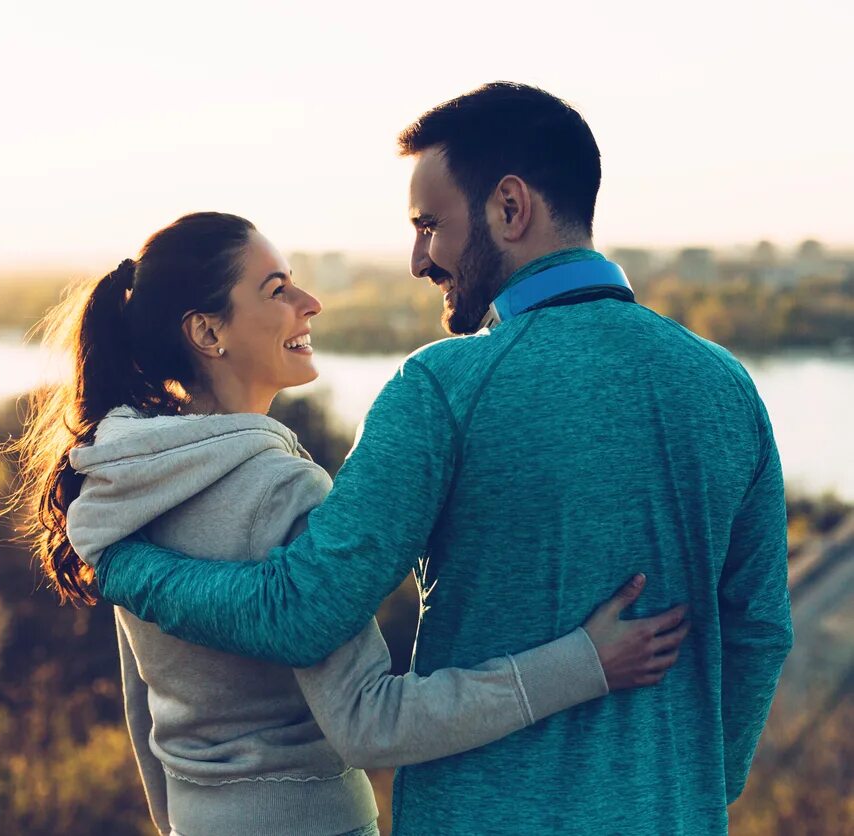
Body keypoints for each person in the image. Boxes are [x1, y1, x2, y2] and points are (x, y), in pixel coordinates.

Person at [89, 85, 793, 834]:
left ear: (509, 208)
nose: (420, 258)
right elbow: (758, 630)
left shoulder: (444, 389)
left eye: (430, 226)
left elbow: (303, 612)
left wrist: (124, 568)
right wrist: (690, 790)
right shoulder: (726, 387)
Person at [18, 211, 687, 836]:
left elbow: (145, 713)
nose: (310, 303)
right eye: (277, 289)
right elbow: (372, 723)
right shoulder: (281, 491)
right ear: (207, 332)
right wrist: (583, 663)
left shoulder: (121, 480)